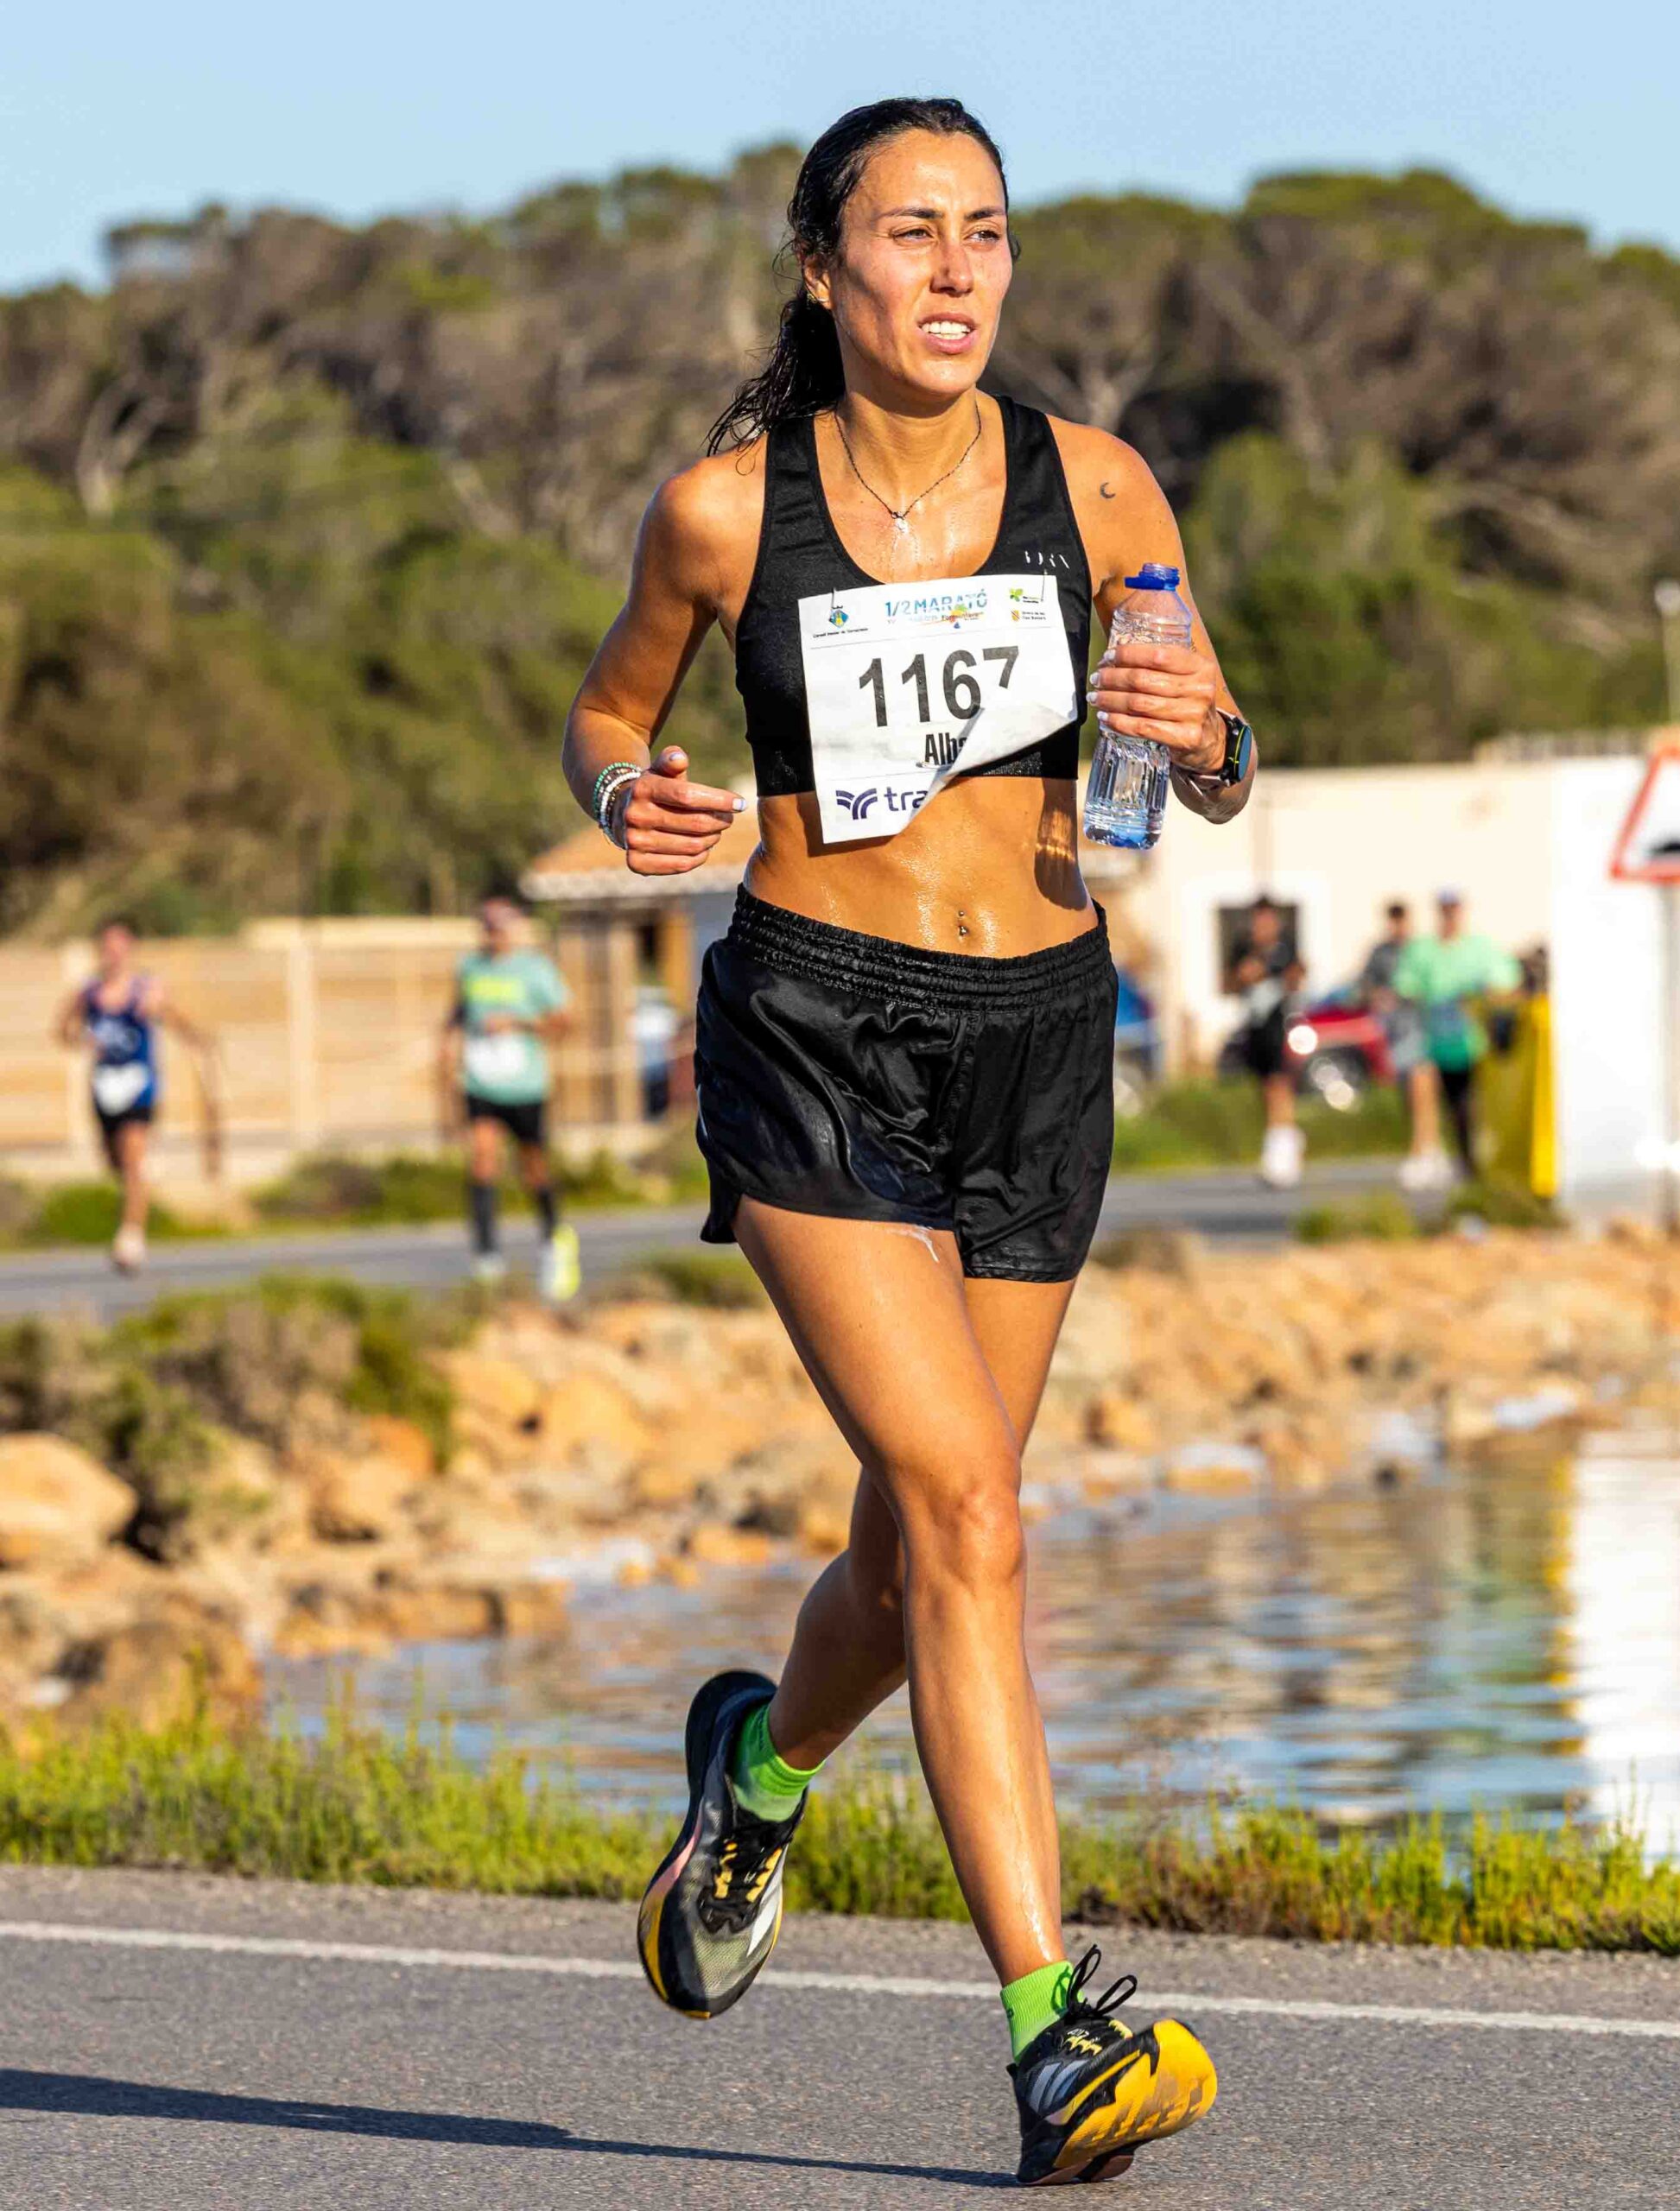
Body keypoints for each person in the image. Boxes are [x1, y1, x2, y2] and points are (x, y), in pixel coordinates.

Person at [562, 98, 1257, 2186]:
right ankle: (1054, 2028)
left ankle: (757, 1770)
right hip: (814, 1032)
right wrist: (623, 798)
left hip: (1038, 1038)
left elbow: (1210, 748)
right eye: (910, 232)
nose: (957, 271)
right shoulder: (722, 510)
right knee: (969, 1511)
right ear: (821, 266)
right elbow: (607, 714)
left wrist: (1207, 737)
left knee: (911, 1544)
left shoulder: (1097, 482)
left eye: (988, 233)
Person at [54, 917, 216, 1274]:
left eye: (120, 947)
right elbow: (62, 1031)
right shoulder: (88, 992)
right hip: (104, 1085)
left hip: (138, 1083)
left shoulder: (147, 989)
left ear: (130, 950)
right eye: (107, 948)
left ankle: (130, 1238)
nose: (113, 954)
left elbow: (176, 1019)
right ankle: (141, 1176)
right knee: (114, 1161)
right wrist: (83, 1041)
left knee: (132, 1160)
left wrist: (198, 1040)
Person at [439, 894, 580, 1300]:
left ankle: (553, 1240)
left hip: (525, 1085)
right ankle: (486, 1256)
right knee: (482, 1160)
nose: (493, 934)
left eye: (500, 926)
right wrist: (447, 1043)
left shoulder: (534, 969)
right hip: (481, 1082)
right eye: (487, 926)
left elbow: (565, 1022)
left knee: (533, 1167)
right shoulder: (469, 967)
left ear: (513, 928)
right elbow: (459, 1010)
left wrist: (517, 1023)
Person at [1392, 889, 1521, 1182]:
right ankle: (1428, 1150)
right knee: (1424, 1087)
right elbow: (1405, 983)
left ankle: (1474, 1163)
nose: (1450, 915)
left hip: (1473, 1042)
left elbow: (1505, 979)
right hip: (1433, 1038)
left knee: (1469, 1106)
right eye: (1445, 909)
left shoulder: (1480, 947)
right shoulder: (1423, 948)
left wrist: (1482, 992)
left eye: (1454, 908)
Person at [1359, 901, 1447, 1190]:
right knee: (1410, 1095)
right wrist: (1377, 997)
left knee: (1423, 1087)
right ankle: (1432, 1148)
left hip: (1424, 1027)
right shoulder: (1380, 953)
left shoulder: (1422, 950)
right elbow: (1365, 985)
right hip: (1396, 1032)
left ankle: (1422, 1150)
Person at [1227, 896, 1305, 1187]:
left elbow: (1298, 977)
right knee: (1265, 1086)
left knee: (1279, 1083)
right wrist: (1244, 976)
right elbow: (1230, 981)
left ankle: (1283, 1146)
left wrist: (1275, 975)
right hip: (1255, 1026)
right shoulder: (1243, 949)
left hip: (1280, 1023)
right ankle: (1281, 1138)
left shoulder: (1285, 949)